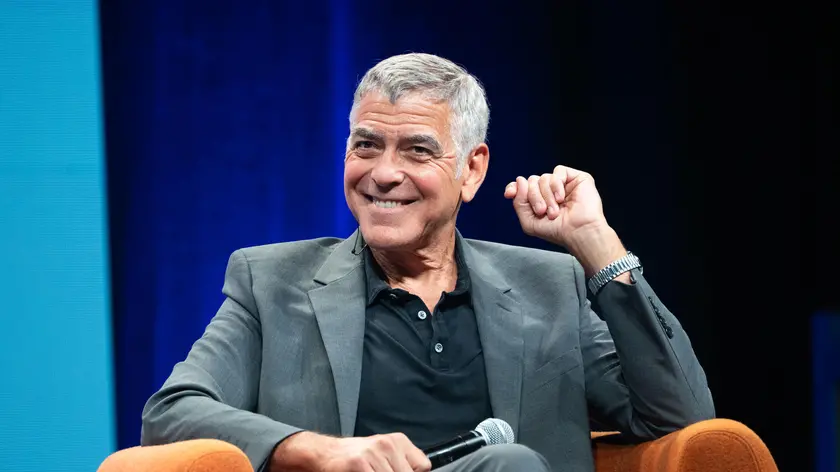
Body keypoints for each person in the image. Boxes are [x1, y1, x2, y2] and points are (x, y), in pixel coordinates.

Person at [141, 53, 714, 472]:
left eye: (417, 150)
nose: (383, 173)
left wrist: (596, 245)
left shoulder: (547, 287)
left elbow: (678, 418)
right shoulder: (272, 283)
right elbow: (171, 413)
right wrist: (316, 450)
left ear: (472, 170)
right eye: (366, 145)